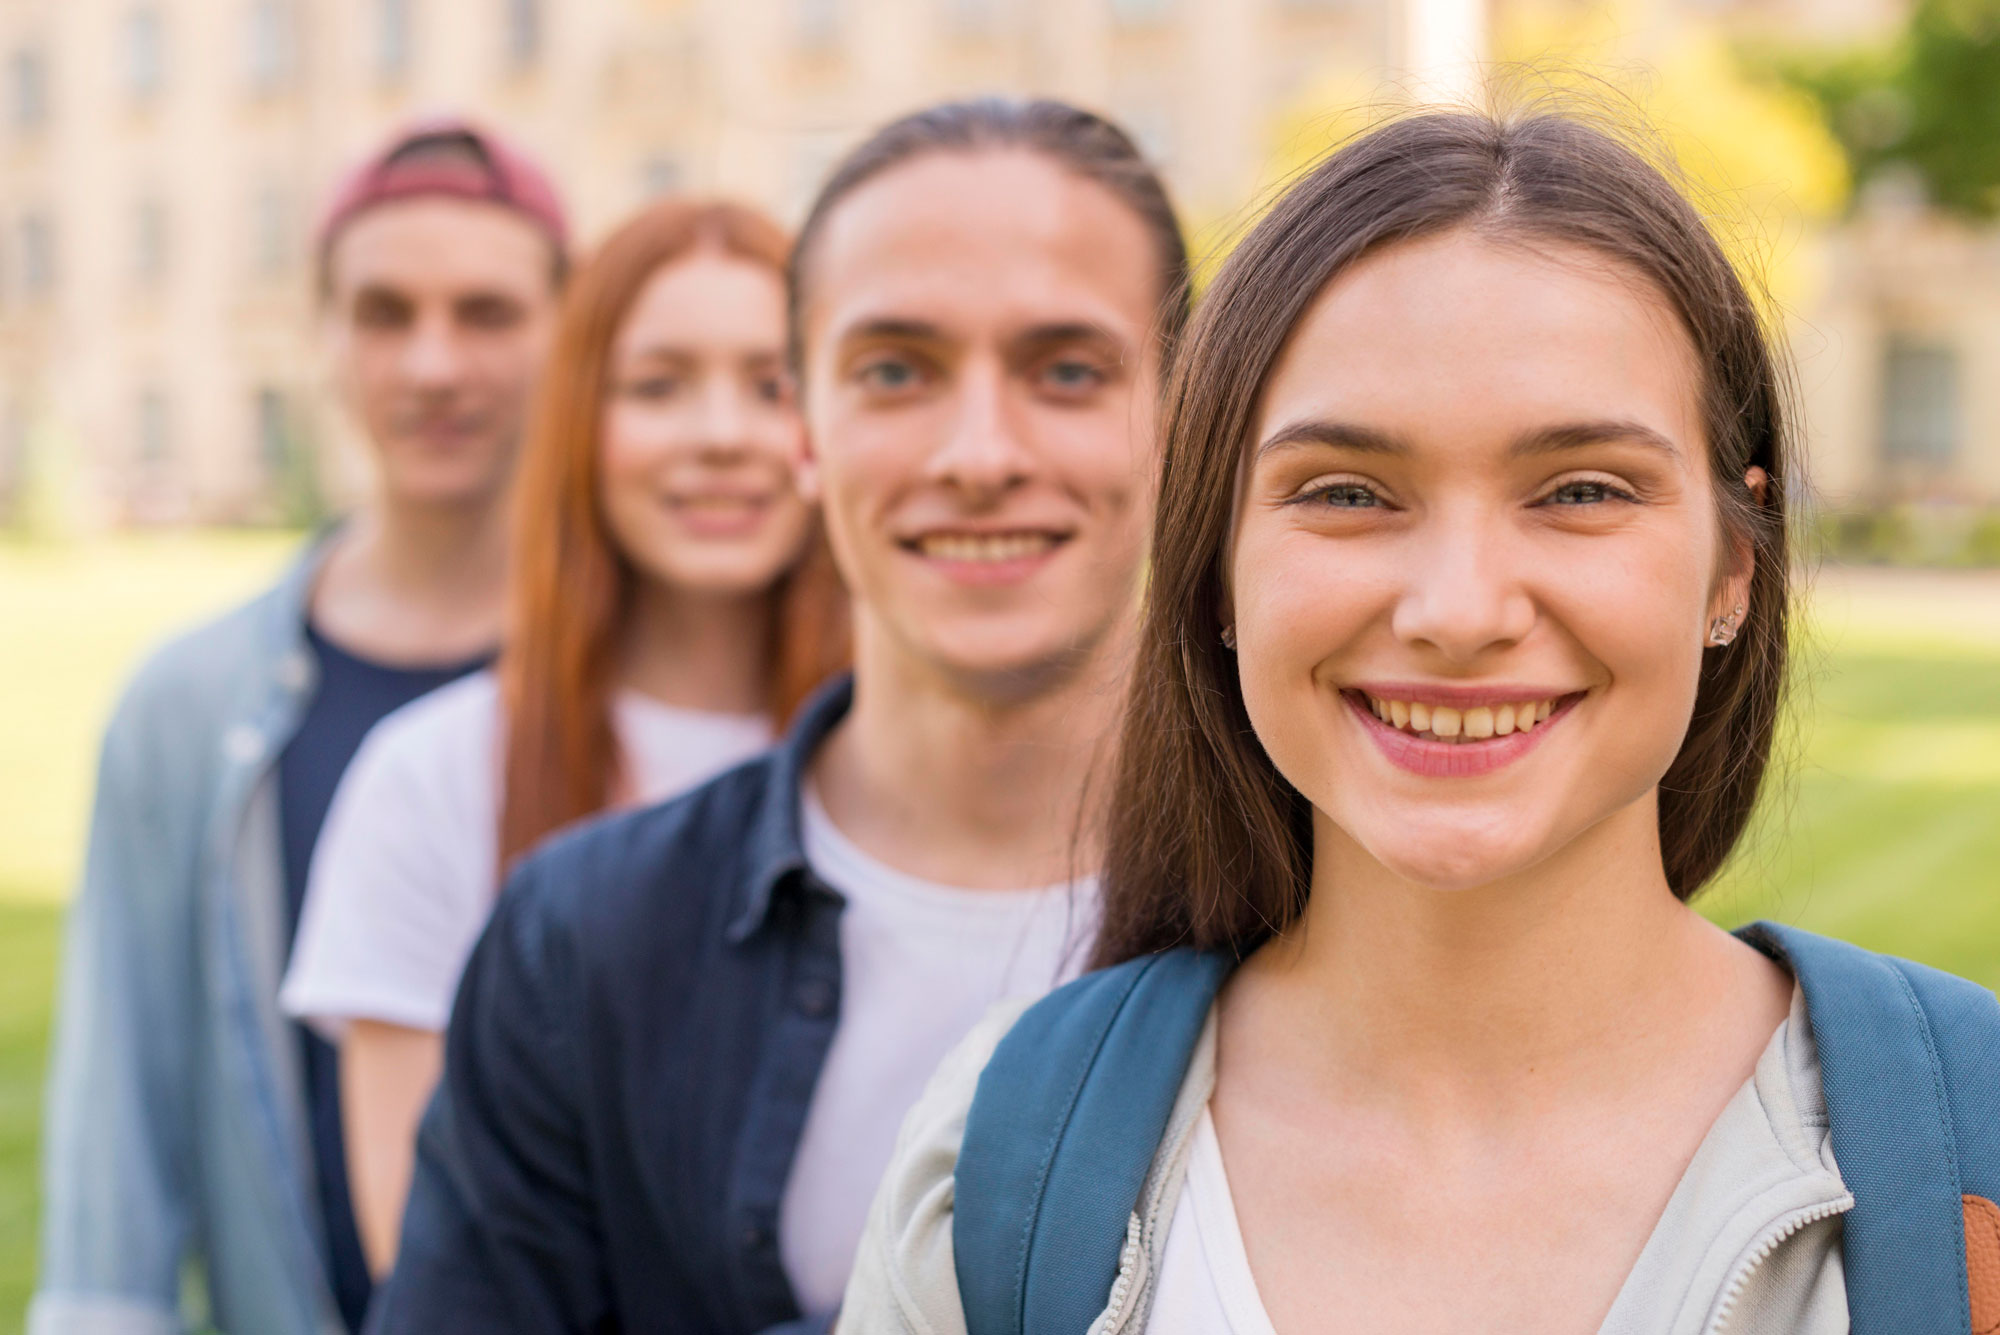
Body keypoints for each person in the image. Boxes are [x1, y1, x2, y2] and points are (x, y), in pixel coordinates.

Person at [841, 109, 2000, 1333]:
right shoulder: (995, 1162)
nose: (1457, 611)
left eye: (1580, 491)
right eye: (1346, 492)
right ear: (1215, 567)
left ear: (1732, 569)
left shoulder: (1970, 1153)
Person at [367, 98, 1189, 1334]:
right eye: (895, 370)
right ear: (802, 427)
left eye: (1065, 369)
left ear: (1186, 414)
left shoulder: (1330, 904)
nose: (977, 451)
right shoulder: (580, 943)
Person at [33, 121, 566, 1335]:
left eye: (485, 313)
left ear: (566, 334)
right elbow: (116, 1142)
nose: (433, 364)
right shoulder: (185, 709)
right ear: (322, 336)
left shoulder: (659, 689)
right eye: (384, 313)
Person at [279, 197, 849, 1277]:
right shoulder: (431, 779)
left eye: (770, 384)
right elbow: (432, 1256)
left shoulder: (921, 771)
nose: (721, 434)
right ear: (577, 423)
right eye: (657, 385)